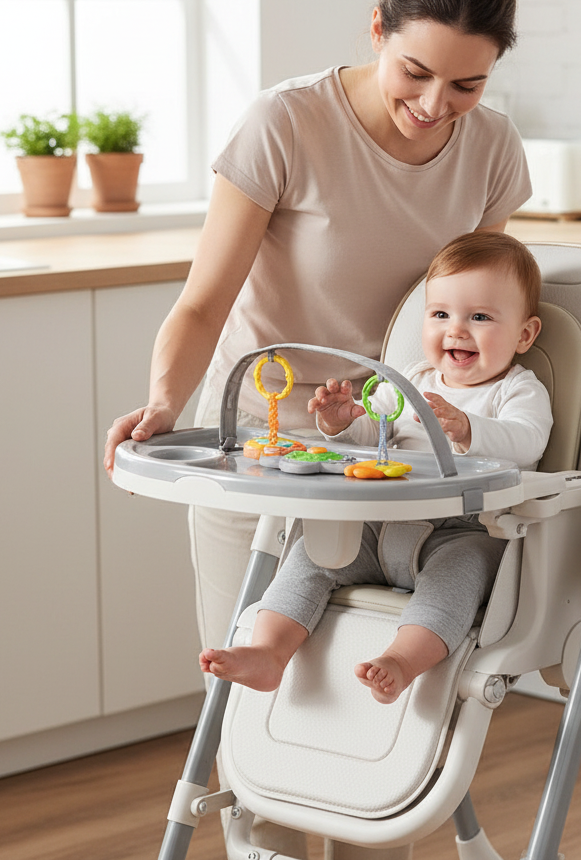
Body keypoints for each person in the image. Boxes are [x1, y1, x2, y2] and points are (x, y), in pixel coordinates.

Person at [103, 0, 527, 858]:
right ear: (378, 28)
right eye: (415, 71)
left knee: (378, 725)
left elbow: (476, 306)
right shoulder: (287, 122)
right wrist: (167, 405)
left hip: (392, 466)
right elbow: (204, 302)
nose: (436, 104)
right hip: (266, 450)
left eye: (468, 83)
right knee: (266, 721)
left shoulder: (490, 148)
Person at [199, 232, 552, 702]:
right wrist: (342, 423)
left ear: (525, 334)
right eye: (441, 314)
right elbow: (372, 437)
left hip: (461, 531)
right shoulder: (406, 383)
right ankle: (268, 651)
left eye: (480, 317)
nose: (457, 330)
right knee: (311, 553)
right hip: (379, 529)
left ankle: (402, 660)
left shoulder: (517, 391)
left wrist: (469, 428)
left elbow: (529, 442)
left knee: (463, 574)